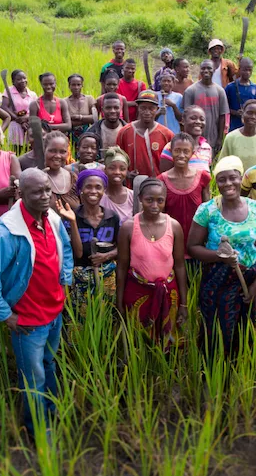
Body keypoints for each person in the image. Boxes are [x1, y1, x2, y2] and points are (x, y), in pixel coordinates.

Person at [0, 168, 74, 437]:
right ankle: (38, 430)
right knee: (33, 378)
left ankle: (52, 411)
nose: (45, 196)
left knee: (50, 364)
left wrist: (64, 281)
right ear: (21, 194)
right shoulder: (7, 232)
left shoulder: (50, 217)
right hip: (27, 322)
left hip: (54, 312)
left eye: (48, 190)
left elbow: (65, 247)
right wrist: (5, 315)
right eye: (37, 192)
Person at [188, 156, 256, 356]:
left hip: (248, 279)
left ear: (240, 178)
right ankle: (215, 377)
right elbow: (192, 247)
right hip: (217, 281)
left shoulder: (255, 208)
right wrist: (219, 256)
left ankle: (237, 374)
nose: (228, 184)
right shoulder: (207, 211)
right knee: (217, 332)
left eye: (232, 178)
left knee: (244, 330)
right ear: (217, 183)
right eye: (222, 179)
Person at [116, 178, 188, 350]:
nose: (155, 205)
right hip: (137, 292)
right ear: (140, 198)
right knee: (137, 341)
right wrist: (119, 302)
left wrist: (183, 304)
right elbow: (122, 266)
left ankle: (165, 373)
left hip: (168, 292)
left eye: (160, 200)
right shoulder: (128, 227)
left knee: (168, 341)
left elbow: (179, 265)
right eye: (149, 200)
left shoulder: (174, 226)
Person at [62, 169, 120, 317]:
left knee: (106, 319)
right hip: (79, 278)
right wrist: (74, 222)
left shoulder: (111, 217)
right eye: (88, 187)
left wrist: (107, 256)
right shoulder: (71, 217)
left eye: (98, 187)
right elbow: (78, 253)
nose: (93, 191)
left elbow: (122, 248)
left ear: (104, 190)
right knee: (80, 322)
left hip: (107, 277)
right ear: (80, 189)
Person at [160, 134, 212, 256]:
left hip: (197, 241)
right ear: (171, 151)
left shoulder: (203, 178)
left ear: (192, 153)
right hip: (171, 240)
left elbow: (207, 211)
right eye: (177, 151)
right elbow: (160, 215)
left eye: (186, 151)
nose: (181, 155)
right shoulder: (162, 180)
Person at [115, 90, 174, 179]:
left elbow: (173, 163)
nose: (147, 112)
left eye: (151, 108)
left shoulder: (167, 134)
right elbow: (117, 159)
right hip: (132, 186)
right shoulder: (125, 132)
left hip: (158, 186)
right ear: (138, 108)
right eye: (143, 108)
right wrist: (127, 173)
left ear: (157, 109)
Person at [183, 59, 230, 154]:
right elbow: (185, 116)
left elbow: (222, 116)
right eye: (203, 68)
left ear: (214, 69)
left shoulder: (220, 91)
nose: (206, 71)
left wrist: (220, 139)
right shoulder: (190, 90)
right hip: (193, 138)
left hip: (213, 138)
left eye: (209, 68)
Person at [160, 106, 213, 175]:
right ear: (183, 121)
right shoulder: (171, 146)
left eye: (202, 119)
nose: (198, 122)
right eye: (193, 118)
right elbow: (165, 178)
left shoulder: (207, 148)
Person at [219, 99, 256, 170]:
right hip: (237, 180)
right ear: (242, 113)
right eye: (249, 113)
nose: (253, 117)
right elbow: (222, 164)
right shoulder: (231, 137)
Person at [43, 131, 80, 209]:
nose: (57, 156)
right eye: (52, 151)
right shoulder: (34, 178)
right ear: (44, 150)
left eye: (62, 152)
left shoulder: (73, 178)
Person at [2, 69, 38, 147]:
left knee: (29, 149)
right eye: (19, 79)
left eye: (24, 78)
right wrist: (18, 119)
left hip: (29, 126)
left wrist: (26, 119)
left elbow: (37, 111)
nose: (22, 81)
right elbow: (4, 107)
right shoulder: (8, 91)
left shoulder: (32, 94)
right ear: (13, 82)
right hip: (15, 125)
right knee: (15, 150)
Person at [225, 57, 256, 131]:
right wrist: (235, 112)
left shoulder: (255, 88)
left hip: (251, 127)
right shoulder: (230, 87)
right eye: (245, 70)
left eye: (249, 70)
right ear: (239, 69)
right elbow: (224, 107)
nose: (247, 72)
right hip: (234, 126)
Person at [100, 147, 135, 223]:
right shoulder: (100, 197)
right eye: (112, 168)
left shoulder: (133, 197)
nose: (117, 172)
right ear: (105, 170)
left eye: (122, 169)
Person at [66, 73, 97, 142]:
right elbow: (65, 121)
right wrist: (86, 119)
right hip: (70, 135)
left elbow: (94, 118)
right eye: (73, 85)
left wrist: (79, 117)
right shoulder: (64, 101)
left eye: (78, 85)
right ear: (69, 86)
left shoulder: (89, 99)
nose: (76, 87)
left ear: (82, 85)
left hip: (87, 133)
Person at [117, 58, 147, 123]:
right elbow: (116, 102)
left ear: (135, 70)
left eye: (132, 69)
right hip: (119, 119)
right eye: (127, 68)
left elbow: (143, 103)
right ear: (123, 68)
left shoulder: (141, 85)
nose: (130, 71)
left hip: (136, 120)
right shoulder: (116, 84)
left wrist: (125, 103)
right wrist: (133, 103)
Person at [155, 69, 183, 134]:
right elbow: (151, 118)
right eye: (164, 81)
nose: (166, 83)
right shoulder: (155, 95)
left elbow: (180, 118)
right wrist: (159, 112)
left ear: (173, 83)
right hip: (158, 132)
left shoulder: (179, 97)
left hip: (173, 131)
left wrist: (173, 105)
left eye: (169, 81)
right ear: (160, 82)